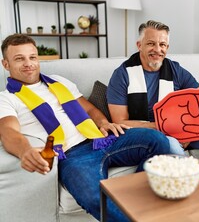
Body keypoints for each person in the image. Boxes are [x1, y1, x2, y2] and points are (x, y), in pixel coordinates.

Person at [0, 34, 171, 222]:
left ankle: (137, 202)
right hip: (72, 156)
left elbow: (89, 109)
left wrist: (104, 123)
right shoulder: (6, 99)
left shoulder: (59, 82)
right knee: (94, 196)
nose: (28, 63)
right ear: (5, 64)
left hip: (100, 140)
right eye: (19, 58)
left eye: (32, 57)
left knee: (157, 141)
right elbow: (9, 132)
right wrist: (25, 151)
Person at [107, 20, 199, 157]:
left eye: (162, 44)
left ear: (167, 47)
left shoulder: (176, 70)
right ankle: (186, 177)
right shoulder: (122, 74)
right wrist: (162, 128)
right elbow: (120, 122)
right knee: (170, 143)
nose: (157, 49)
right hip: (147, 134)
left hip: (179, 127)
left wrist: (188, 134)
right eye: (151, 43)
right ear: (139, 45)